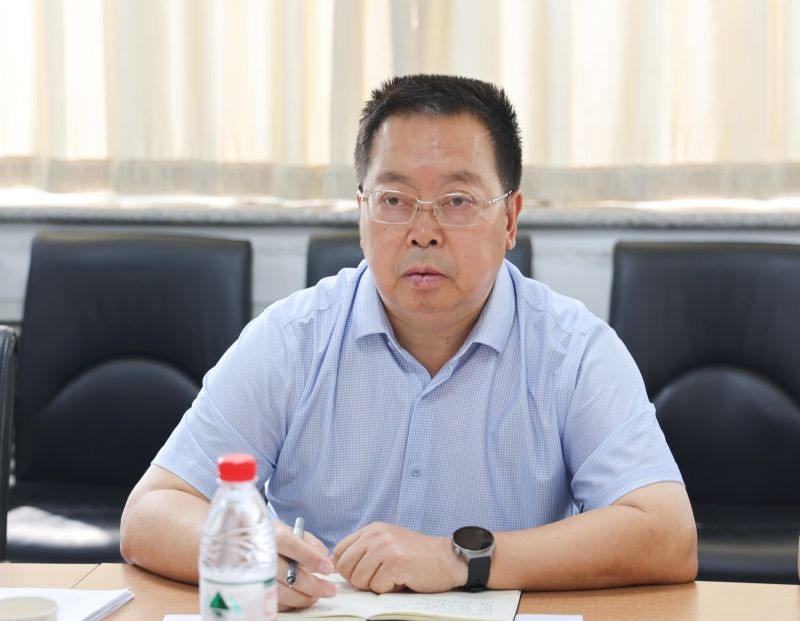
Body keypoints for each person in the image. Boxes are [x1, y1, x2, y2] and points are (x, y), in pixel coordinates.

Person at [120, 74, 697, 610]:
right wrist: (249, 554)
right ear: (362, 214)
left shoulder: (573, 351)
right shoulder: (293, 340)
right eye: (394, 200)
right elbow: (151, 511)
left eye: (457, 201)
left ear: (510, 219)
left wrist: (460, 559)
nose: (423, 232)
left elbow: (667, 532)